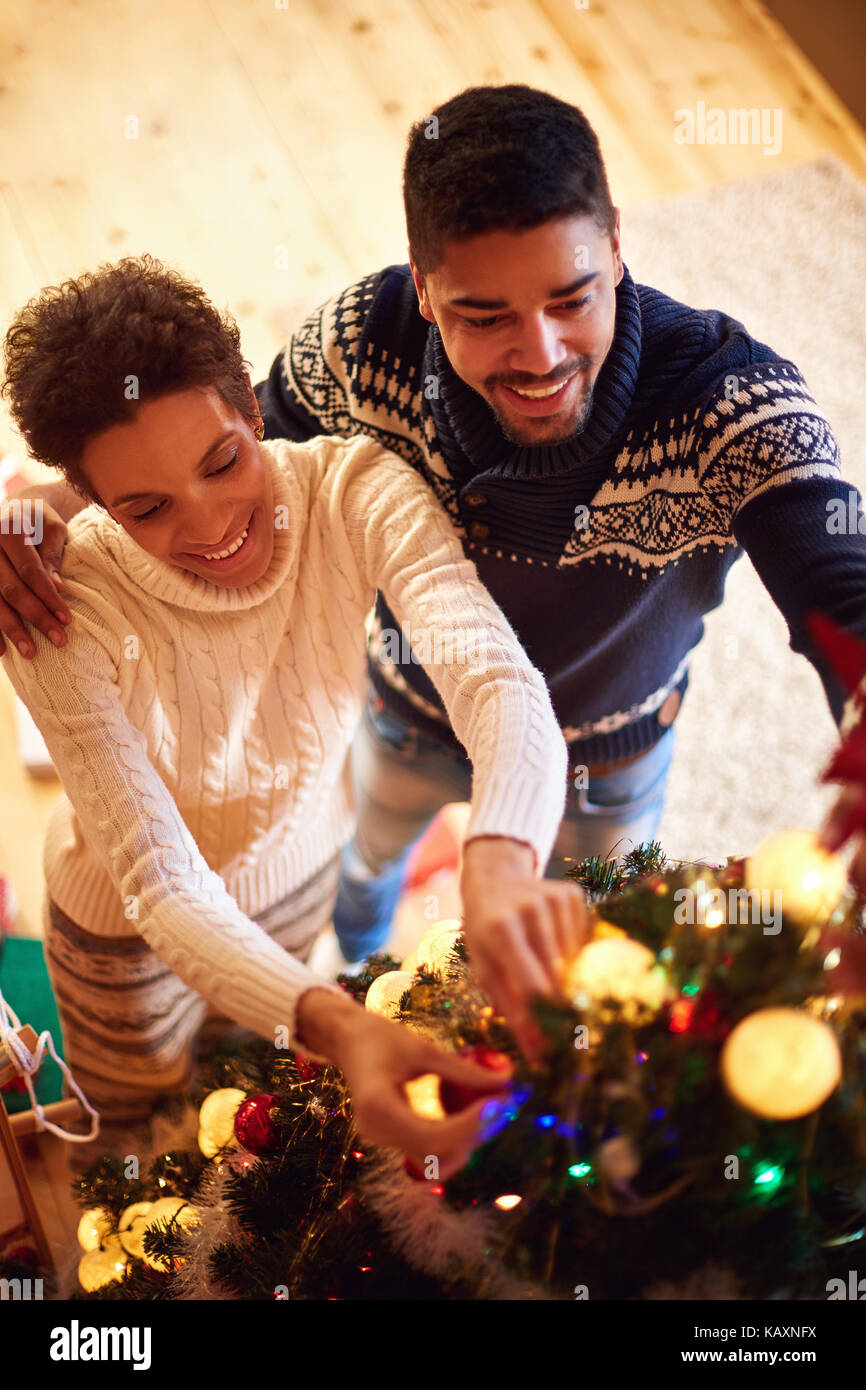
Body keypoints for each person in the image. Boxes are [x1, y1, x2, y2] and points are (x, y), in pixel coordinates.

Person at [7, 83, 866, 962]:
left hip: (607, 760)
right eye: (482, 316)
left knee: (594, 946)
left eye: (571, 300)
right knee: (368, 871)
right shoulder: (355, 344)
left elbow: (840, 587)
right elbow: (224, 444)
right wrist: (53, 504)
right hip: (408, 712)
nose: (540, 358)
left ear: (615, 246)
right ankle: (360, 955)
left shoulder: (732, 400)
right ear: (421, 288)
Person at [0, 256, 590, 1174]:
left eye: (223, 460)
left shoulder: (356, 488)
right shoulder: (56, 600)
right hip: (117, 932)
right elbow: (158, 878)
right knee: (125, 1136)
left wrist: (504, 853)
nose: (209, 526)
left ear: (249, 399)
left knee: (252, 1111)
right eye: (146, 507)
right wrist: (334, 1023)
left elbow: (495, 680)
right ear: (86, 495)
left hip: (300, 867)